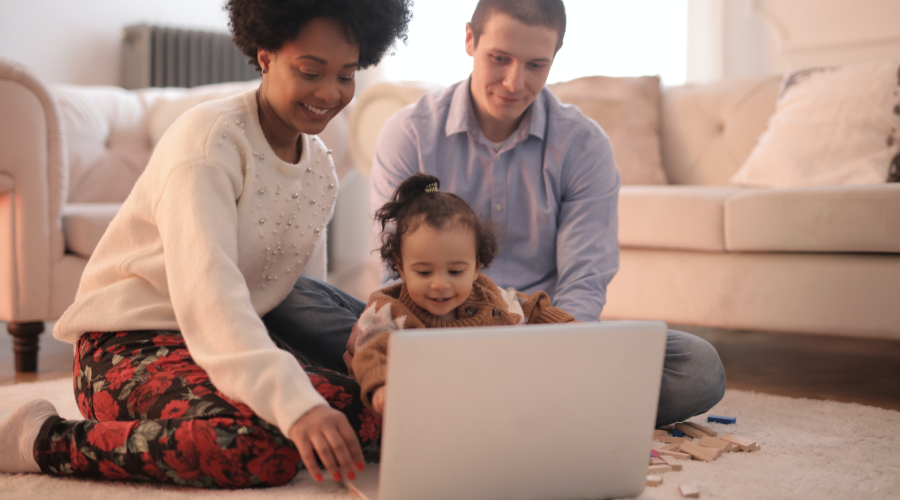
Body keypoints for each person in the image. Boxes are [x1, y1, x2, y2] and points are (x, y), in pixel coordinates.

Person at [0, 0, 411, 488]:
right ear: (265, 55)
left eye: (346, 75)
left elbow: (294, 296)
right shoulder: (209, 141)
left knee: (387, 415)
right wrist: (297, 408)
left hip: (227, 344)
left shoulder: (320, 167)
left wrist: (336, 378)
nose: (330, 92)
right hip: (125, 349)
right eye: (310, 70)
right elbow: (209, 299)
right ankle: (42, 438)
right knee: (260, 446)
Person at [362, 0, 726, 427]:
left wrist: (553, 353)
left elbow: (585, 279)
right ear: (469, 40)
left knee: (696, 368)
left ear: (555, 57)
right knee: (315, 309)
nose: (515, 82)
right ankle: (537, 411)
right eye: (500, 59)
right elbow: (394, 269)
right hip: (430, 329)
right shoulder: (409, 132)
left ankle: (470, 407)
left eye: (536, 64)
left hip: (541, 332)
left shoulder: (584, 145)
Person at [350, 173, 576, 414]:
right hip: (425, 410)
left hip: (492, 404)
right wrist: (382, 386)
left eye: (456, 271)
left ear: (477, 267)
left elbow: (528, 307)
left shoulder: (486, 296)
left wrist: (568, 325)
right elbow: (369, 351)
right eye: (425, 272)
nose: (440, 284)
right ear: (402, 267)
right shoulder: (386, 310)